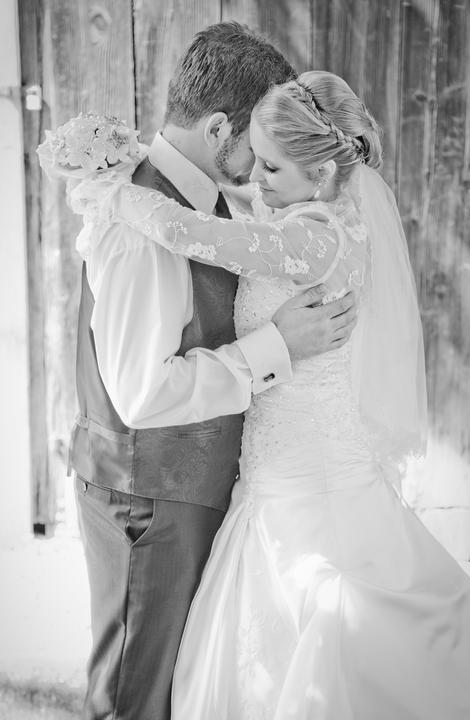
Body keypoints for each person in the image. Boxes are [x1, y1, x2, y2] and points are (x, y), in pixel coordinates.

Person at [54, 70, 470, 719]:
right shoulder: (300, 218)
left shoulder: (314, 240)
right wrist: (139, 159)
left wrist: (112, 191)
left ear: (324, 173)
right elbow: (233, 212)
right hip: (271, 474)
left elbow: (196, 234)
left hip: (311, 478)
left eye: (272, 167)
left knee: (322, 631)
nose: (255, 181)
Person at [38, 23, 357, 720]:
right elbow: (143, 393)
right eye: (258, 142)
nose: (265, 158)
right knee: (135, 697)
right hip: (149, 501)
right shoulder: (143, 230)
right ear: (218, 129)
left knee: (174, 691)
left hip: (187, 491)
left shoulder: (203, 199)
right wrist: (276, 346)